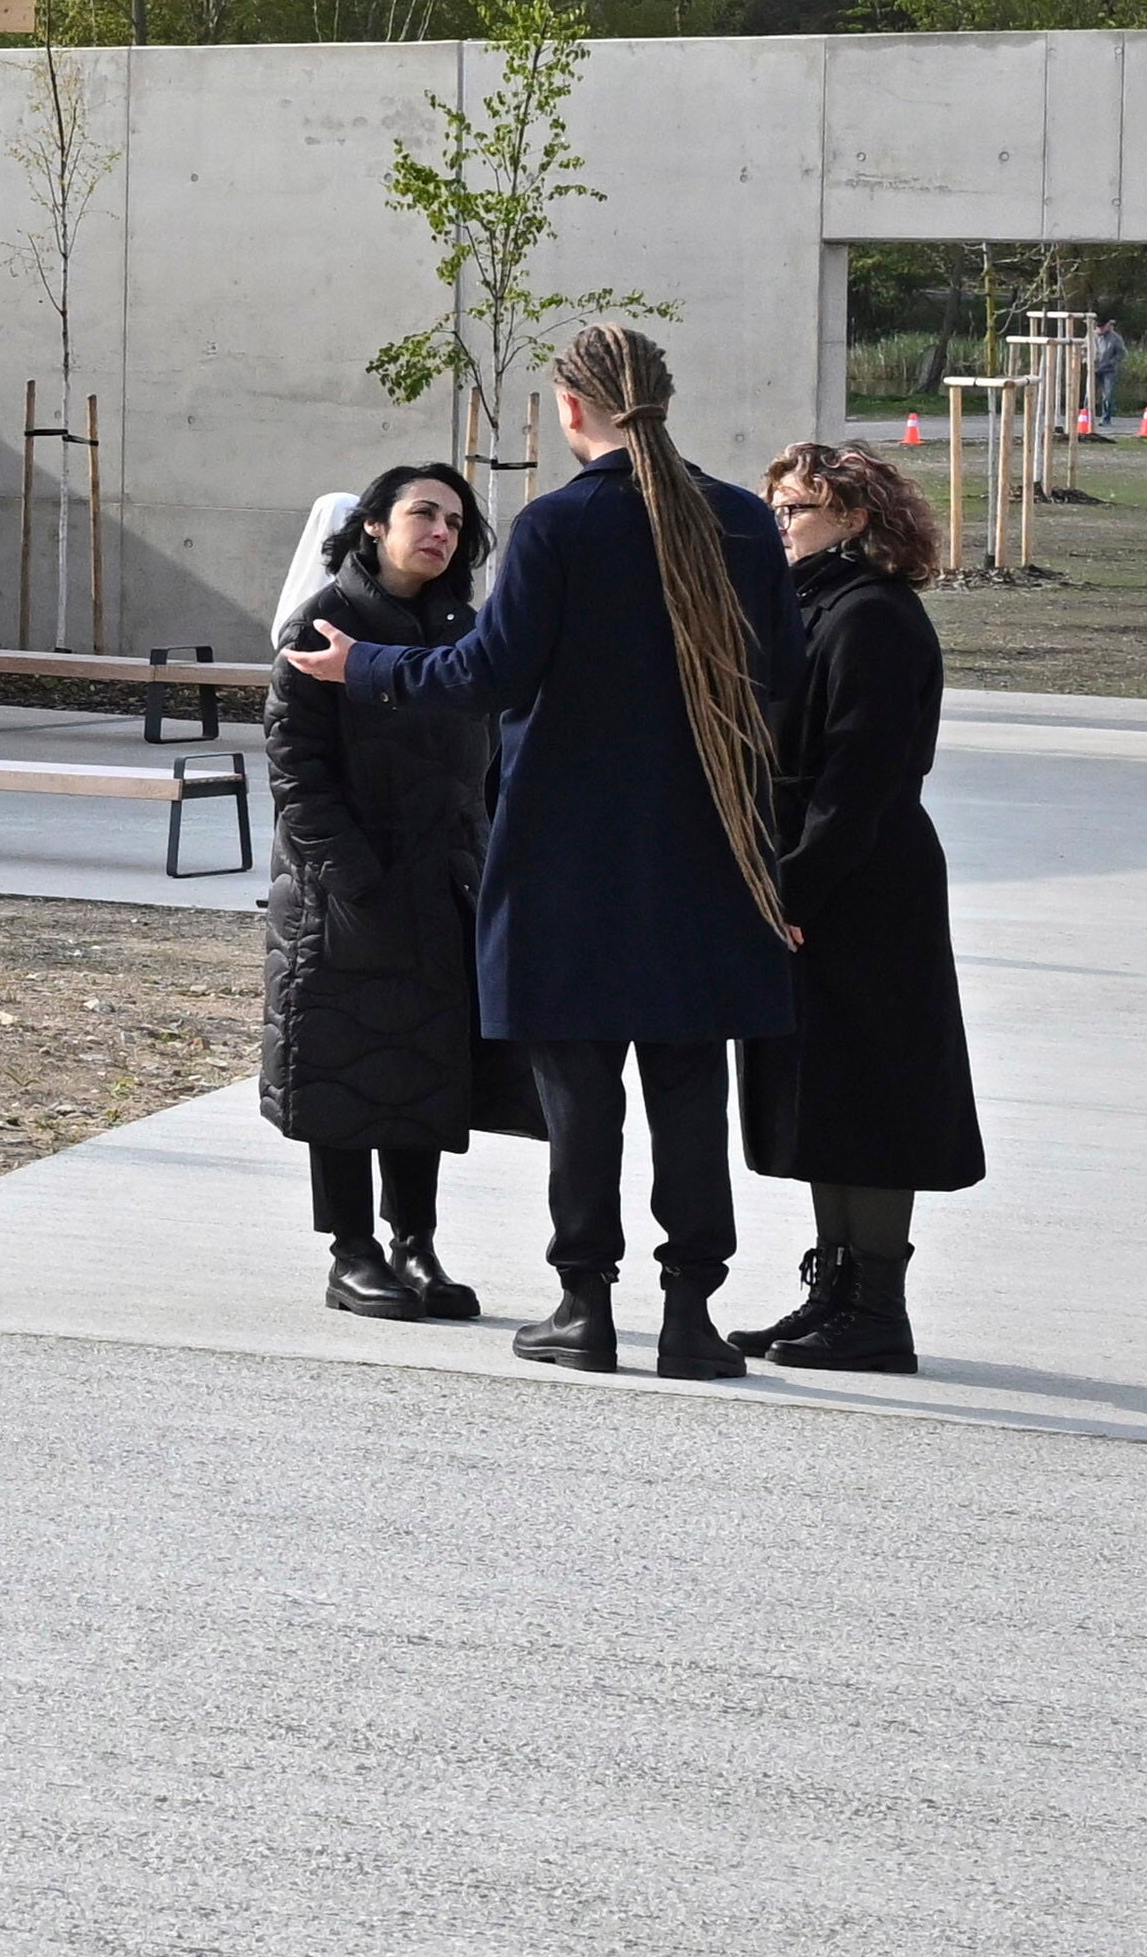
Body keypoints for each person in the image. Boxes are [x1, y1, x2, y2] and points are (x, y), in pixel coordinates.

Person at [281, 316, 803, 1379]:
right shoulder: (745, 523)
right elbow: (783, 676)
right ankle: (693, 1318)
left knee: (584, 1100)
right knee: (691, 1089)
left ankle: (586, 1306)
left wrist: (366, 671)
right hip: (709, 854)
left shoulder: (561, 526)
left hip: (571, 857)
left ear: (570, 408)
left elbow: (486, 670)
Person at [737, 436, 979, 1370]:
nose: (779, 524)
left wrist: (797, 888)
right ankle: (834, 1291)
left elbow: (861, 777)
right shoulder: (810, 604)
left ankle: (876, 1309)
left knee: (870, 1094)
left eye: (795, 509)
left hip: (861, 885)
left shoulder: (872, 615)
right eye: (777, 508)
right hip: (817, 874)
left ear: (856, 516)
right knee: (823, 1095)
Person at [258, 461, 509, 1322]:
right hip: (348, 899)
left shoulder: (463, 632)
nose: (439, 532)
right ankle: (352, 1251)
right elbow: (296, 772)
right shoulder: (325, 623)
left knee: (420, 1069)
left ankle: (416, 1243)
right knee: (343, 1067)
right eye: (423, 514)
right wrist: (352, 880)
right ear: (373, 525)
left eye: (454, 521)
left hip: (444, 889)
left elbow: (491, 763)